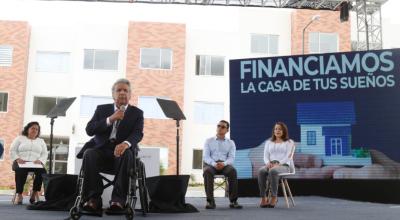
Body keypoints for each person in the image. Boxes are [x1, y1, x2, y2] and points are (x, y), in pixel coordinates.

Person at [79, 78, 144, 214]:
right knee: (89, 153)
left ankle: (118, 201)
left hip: (121, 154)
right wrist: (110, 119)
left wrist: (126, 144)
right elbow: (89, 130)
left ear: (130, 95)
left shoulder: (137, 113)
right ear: (113, 94)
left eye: (125, 90)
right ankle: (93, 199)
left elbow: (137, 134)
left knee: (126, 153)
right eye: (118, 90)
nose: (122, 93)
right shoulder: (102, 109)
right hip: (101, 151)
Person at [202, 120, 242, 209]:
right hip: (211, 164)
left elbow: (231, 158)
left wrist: (223, 163)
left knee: (232, 171)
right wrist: (214, 163)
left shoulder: (231, 143)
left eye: (223, 127)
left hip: (224, 165)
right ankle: (210, 202)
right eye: (218, 126)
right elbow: (206, 157)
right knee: (207, 171)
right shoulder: (208, 141)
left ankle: (233, 201)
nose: (220, 128)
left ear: (227, 130)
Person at [258, 122, 295, 208]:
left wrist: (278, 164)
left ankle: (274, 197)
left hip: (284, 165)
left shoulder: (289, 142)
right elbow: (265, 156)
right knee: (261, 171)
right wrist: (268, 163)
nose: (277, 130)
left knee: (273, 171)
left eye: (280, 129)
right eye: (276, 129)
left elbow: (288, 157)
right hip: (271, 164)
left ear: (284, 131)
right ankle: (263, 197)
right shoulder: (268, 142)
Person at [10, 121, 48, 205]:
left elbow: (45, 153)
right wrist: (17, 158)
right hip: (21, 162)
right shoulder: (20, 138)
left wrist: (40, 160)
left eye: (36, 129)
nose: (34, 130)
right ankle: (19, 194)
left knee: (42, 172)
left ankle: (34, 193)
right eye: (32, 128)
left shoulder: (41, 141)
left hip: (35, 163)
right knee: (20, 171)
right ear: (27, 129)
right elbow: (12, 150)